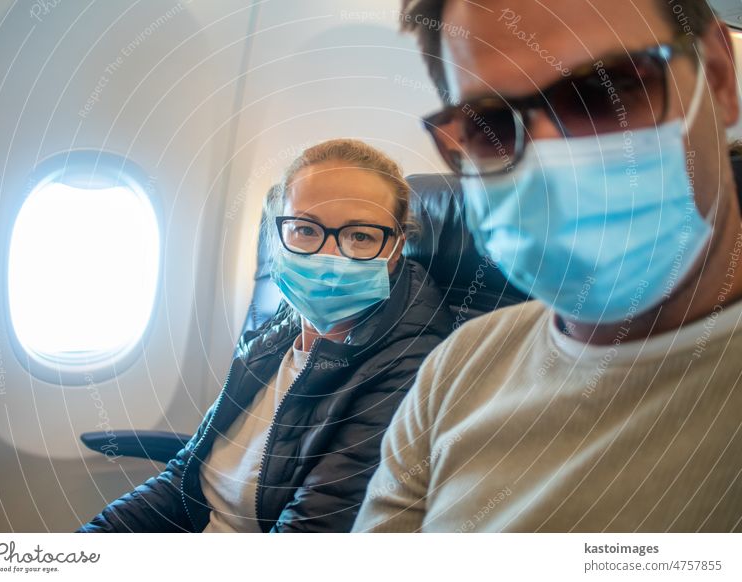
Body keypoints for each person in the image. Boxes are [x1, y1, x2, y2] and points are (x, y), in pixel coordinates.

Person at [354, 0, 742, 532]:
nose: (549, 158)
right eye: (489, 124)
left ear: (718, 80)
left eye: (603, 92)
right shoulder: (455, 369)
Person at [77, 138, 453, 532]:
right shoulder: (282, 327)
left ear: (395, 250)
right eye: (306, 229)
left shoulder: (409, 365)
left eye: (360, 236)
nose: (330, 257)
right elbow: (183, 478)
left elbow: (310, 532)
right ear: (280, 236)